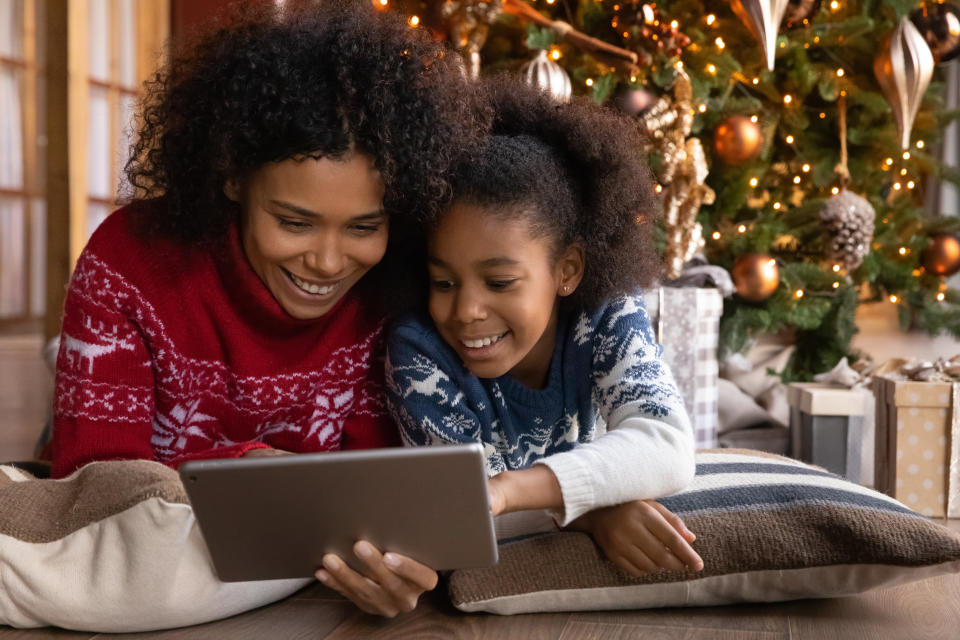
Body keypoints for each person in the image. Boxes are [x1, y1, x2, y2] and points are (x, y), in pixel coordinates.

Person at [47, 1, 486, 617]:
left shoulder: (397, 287)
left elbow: (382, 493)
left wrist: (396, 564)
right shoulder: (129, 262)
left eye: (364, 226)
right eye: (294, 222)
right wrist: (248, 470)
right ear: (232, 178)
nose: (330, 263)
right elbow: (89, 483)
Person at [385, 78, 704, 577]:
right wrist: (593, 512)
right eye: (443, 281)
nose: (466, 309)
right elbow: (464, 511)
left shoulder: (604, 315)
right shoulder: (418, 351)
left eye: (500, 280)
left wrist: (512, 491)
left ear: (567, 270)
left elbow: (666, 444)